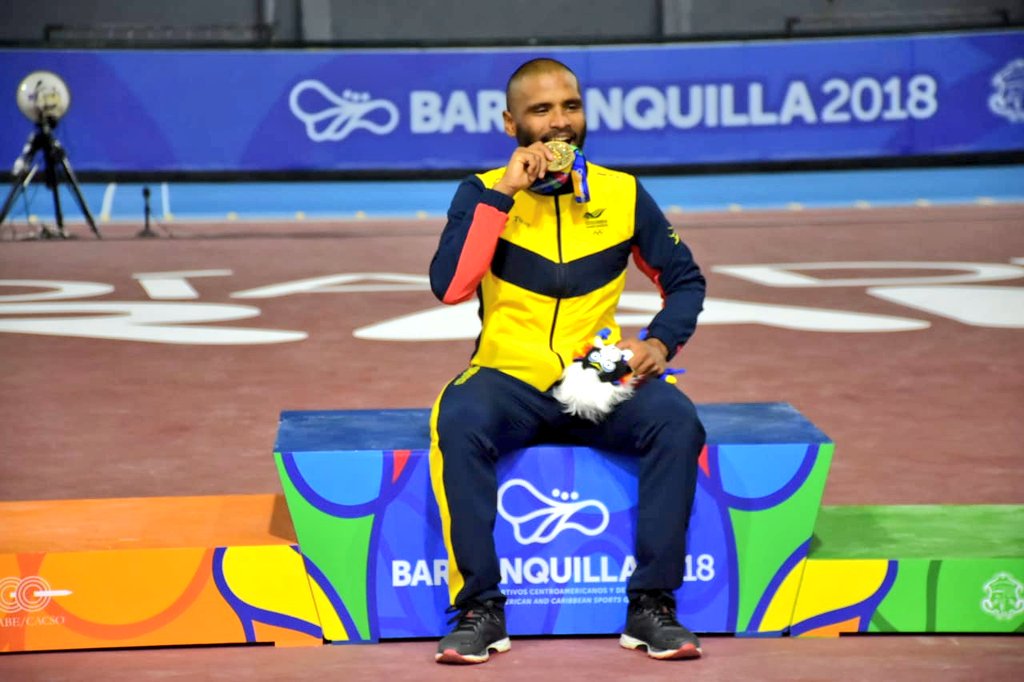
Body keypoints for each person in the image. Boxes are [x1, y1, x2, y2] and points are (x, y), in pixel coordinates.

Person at [427, 57, 706, 664]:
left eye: (571, 106)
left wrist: (659, 343)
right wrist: (504, 193)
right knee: (458, 420)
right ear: (511, 124)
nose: (560, 123)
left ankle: (652, 606)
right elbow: (449, 286)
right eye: (542, 110)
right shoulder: (481, 191)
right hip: (508, 373)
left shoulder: (623, 193)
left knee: (677, 422)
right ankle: (480, 609)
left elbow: (685, 280)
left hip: (597, 372)